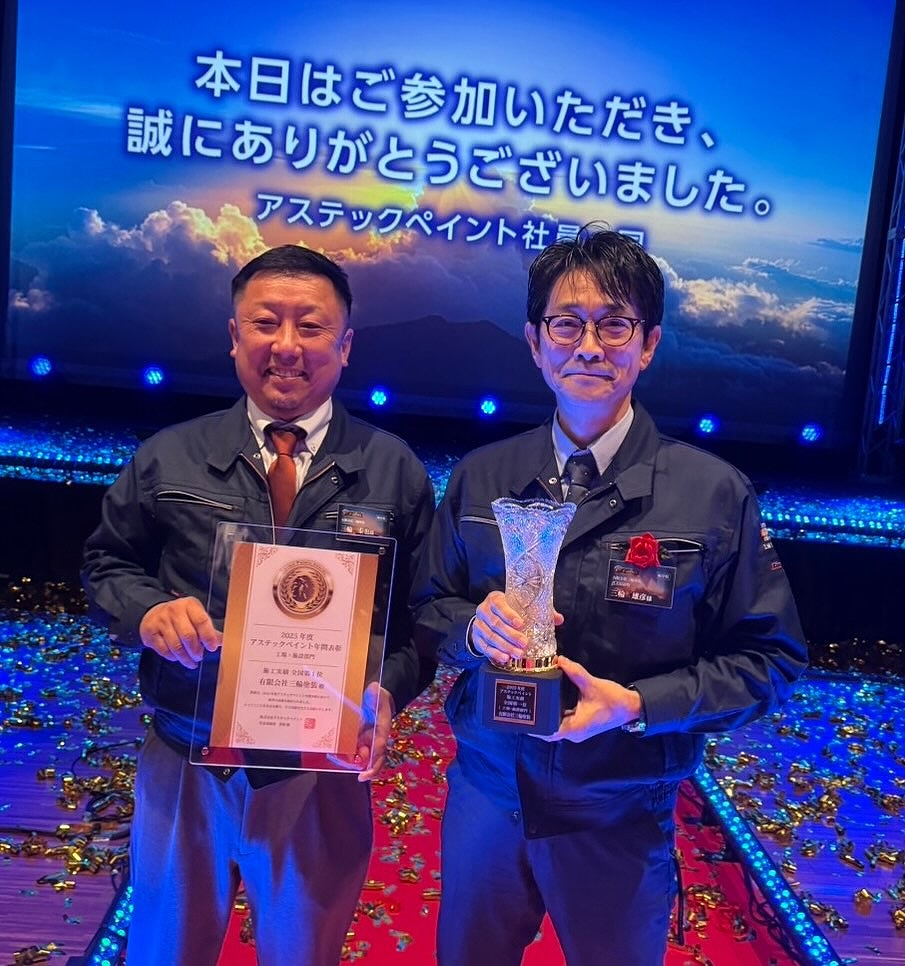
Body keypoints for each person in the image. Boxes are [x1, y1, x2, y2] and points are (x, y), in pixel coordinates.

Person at [411, 224, 808, 966]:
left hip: (621, 804)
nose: (588, 346)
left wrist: (636, 705)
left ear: (647, 344)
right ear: (535, 342)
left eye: (614, 325)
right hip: (487, 794)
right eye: (566, 324)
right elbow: (429, 609)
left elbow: (770, 660)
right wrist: (471, 631)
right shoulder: (481, 476)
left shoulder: (712, 493)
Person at [82, 244, 435, 966]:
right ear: (234, 335)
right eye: (265, 323)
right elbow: (105, 563)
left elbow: (423, 616)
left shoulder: (391, 469)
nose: (286, 346)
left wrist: (389, 691)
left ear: (345, 346)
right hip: (185, 754)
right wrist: (147, 612)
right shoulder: (170, 456)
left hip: (320, 770)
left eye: (311, 326)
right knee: (164, 951)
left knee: (304, 953)